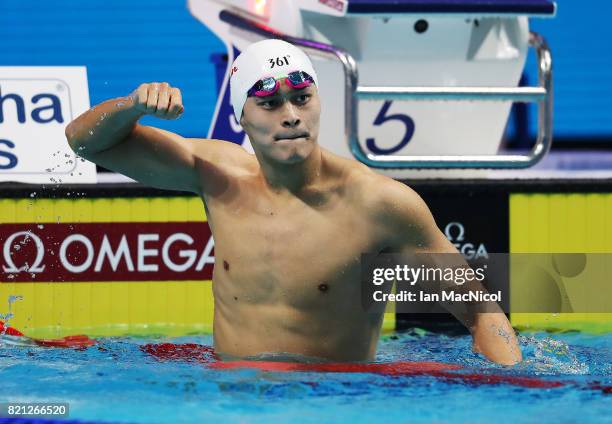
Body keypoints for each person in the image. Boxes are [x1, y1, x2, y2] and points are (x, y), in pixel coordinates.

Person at [65, 39, 522, 365]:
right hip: (228, 397)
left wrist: (514, 394)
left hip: (334, 401)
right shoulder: (216, 174)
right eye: (270, 104)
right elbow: (85, 143)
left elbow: (482, 313)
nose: (290, 115)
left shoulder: (380, 204)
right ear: (239, 116)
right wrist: (131, 106)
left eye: (302, 97)